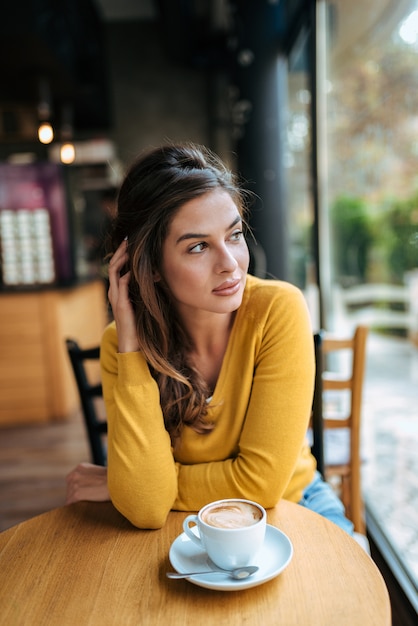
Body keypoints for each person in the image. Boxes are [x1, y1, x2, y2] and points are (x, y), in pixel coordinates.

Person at [66, 142, 354, 535]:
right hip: (182, 525)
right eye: (198, 246)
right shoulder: (123, 345)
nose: (230, 263)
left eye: (234, 235)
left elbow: (261, 485)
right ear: (149, 266)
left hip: (295, 506)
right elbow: (148, 508)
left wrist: (131, 484)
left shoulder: (277, 310)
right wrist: (131, 346)